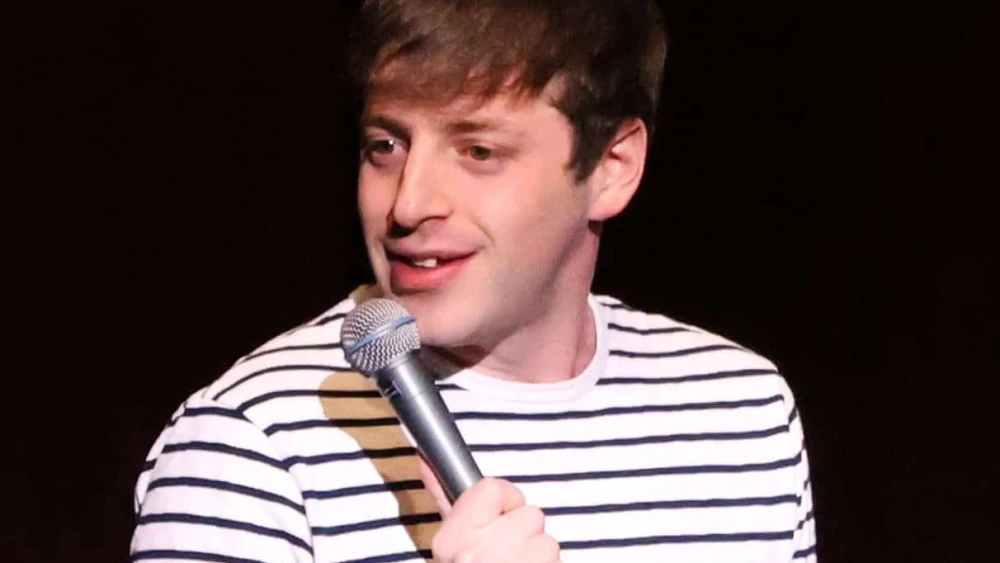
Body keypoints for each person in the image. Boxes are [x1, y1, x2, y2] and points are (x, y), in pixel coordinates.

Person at [129, 1, 817, 561]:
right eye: (386, 145)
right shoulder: (254, 442)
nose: (408, 203)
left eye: (479, 150)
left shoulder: (740, 410)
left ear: (612, 165)